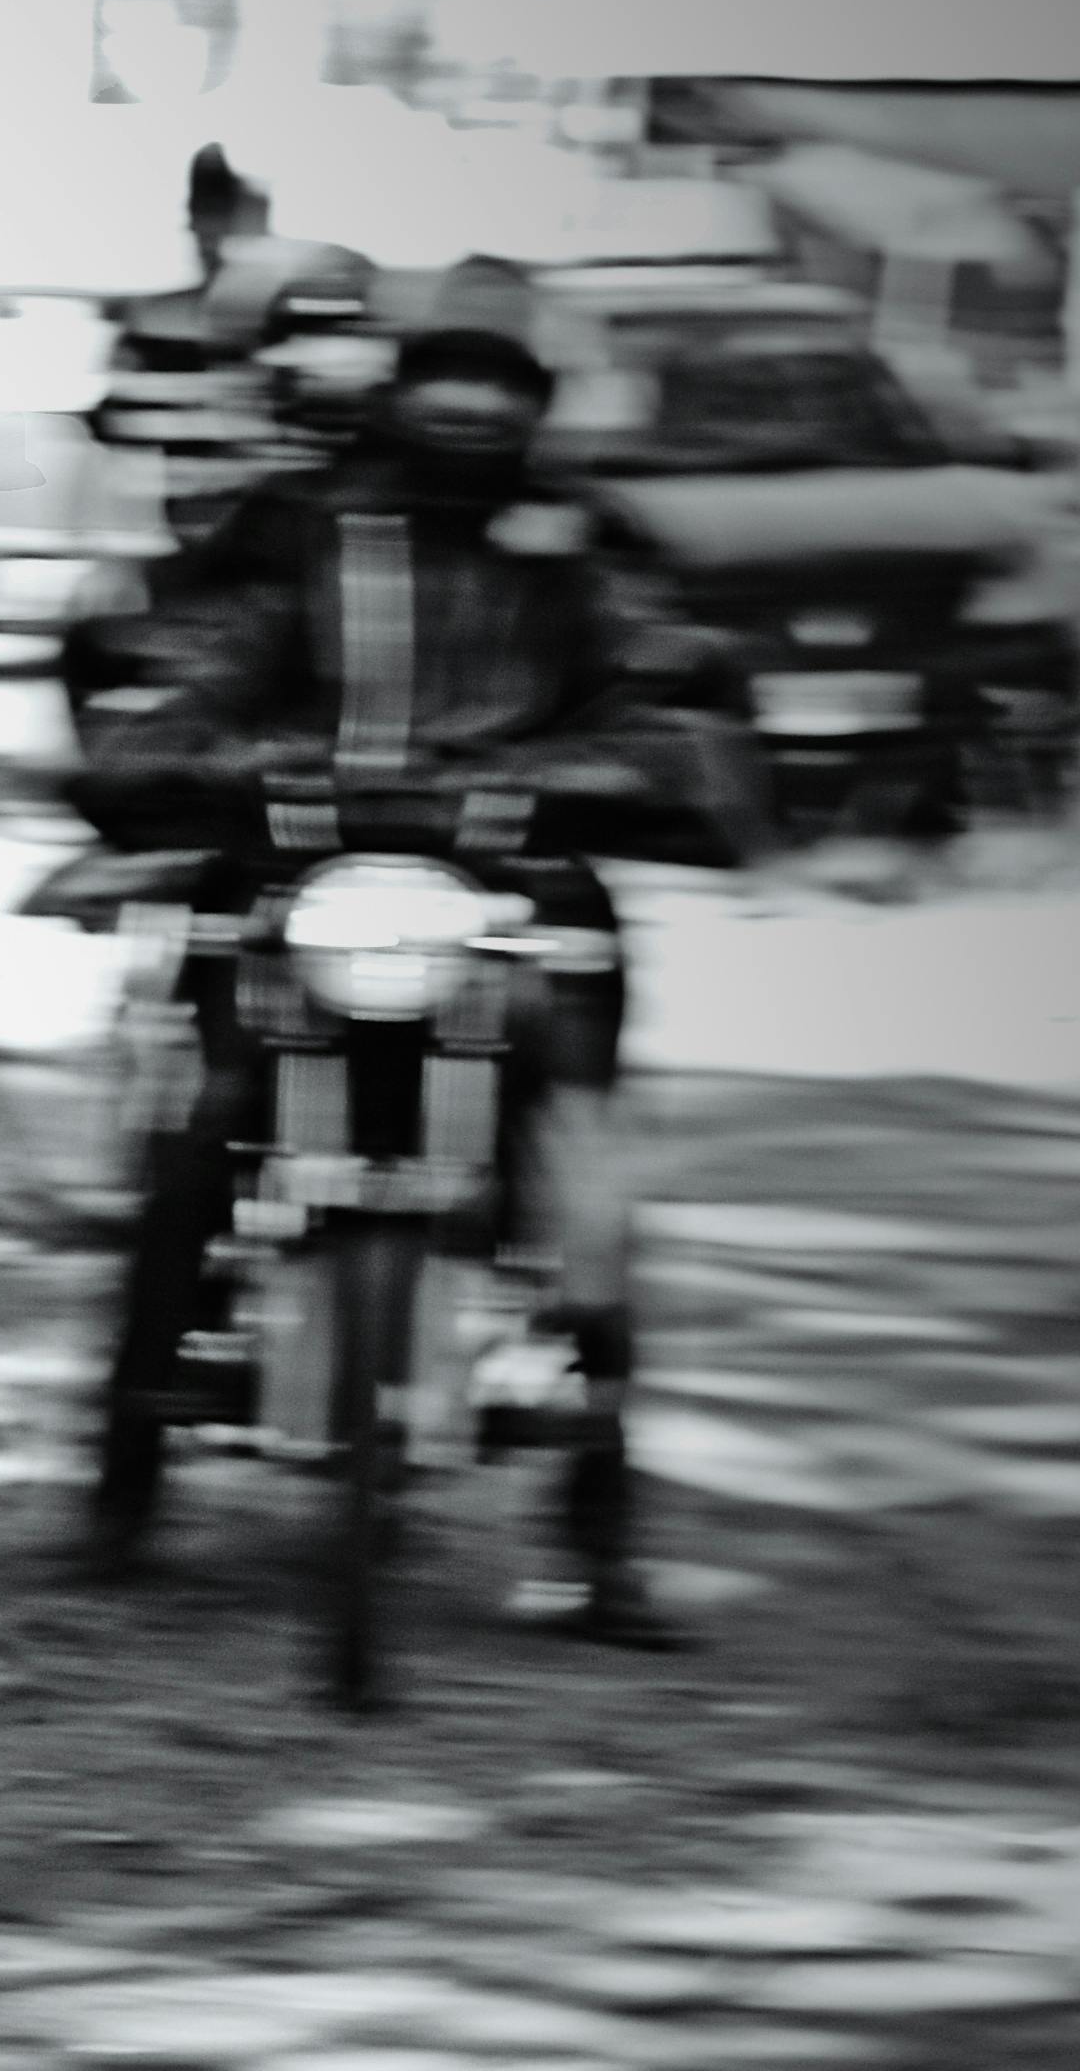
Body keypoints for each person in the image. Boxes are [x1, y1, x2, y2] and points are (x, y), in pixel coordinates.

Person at [75, 313, 752, 1645]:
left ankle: (597, 1546)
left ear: (531, 428)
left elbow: (667, 693)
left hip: (519, 901)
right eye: (440, 418)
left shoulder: (582, 548)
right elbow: (194, 664)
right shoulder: (299, 531)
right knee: (194, 1143)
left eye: (493, 425)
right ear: (394, 414)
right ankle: (122, 1488)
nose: (464, 445)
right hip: (292, 889)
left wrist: (613, 769)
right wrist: (179, 750)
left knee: (588, 1186)